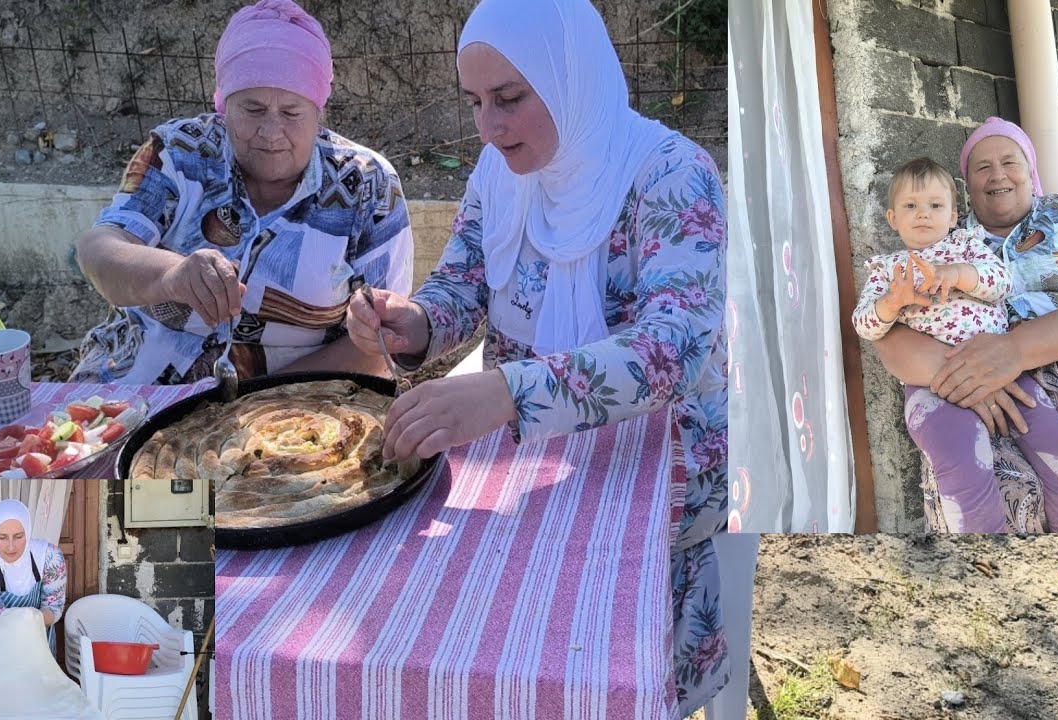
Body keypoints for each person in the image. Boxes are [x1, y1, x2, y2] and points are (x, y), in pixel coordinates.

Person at [345, 0, 728, 712]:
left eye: (511, 98)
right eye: (476, 102)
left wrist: (506, 394)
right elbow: (463, 283)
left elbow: (671, 350)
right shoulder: (500, 173)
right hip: (519, 455)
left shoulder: (671, 174)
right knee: (491, 656)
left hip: (657, 466)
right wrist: (415, 324)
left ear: (569, 76)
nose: (489, 126)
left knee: (606, 674)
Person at [70, 0, 413, 385]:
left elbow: (378, 343)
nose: (270, 132)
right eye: (251, 109)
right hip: (137, 381)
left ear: (319, 112)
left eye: (291, 112)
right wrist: (172, 276)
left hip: (297, 403)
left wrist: (257, 401)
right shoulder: (180, 153)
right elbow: (96, 250)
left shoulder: (368, 186)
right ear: (223, 105)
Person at [873, 116, 1058, 532]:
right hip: (986, 399)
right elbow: (889, 338)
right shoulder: (945, 238)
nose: (998, 175)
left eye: (1010, 162)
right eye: (982, 167)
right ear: (966, 186)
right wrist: (969, 373)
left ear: (1030, 170)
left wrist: (1012, 352)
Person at [0, 499, 67, 653]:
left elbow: (54, 606)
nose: (11, 546)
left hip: (39, 646)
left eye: (19, 536)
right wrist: (30, 618)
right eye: (2, 538)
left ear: (27, 531)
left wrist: (34, 619)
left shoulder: (49, 557)